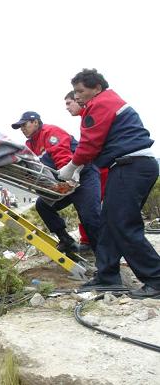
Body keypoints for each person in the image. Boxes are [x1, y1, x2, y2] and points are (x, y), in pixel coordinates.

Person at [62, 69, 160, 297]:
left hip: (132, 165)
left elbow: (89, 144)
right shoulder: (105, 102)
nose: (77, 97)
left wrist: (72, 166)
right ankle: (107, 277)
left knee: (122, 223)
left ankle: (156, 278)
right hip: (130, 165)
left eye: (80, 91)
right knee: (108, 222)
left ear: (96, 88)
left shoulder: (100, 104)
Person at [11, 111, 101, 253]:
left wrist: (67, 182)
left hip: (82, 176)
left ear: (35, 122)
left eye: (24, 125)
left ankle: (104, 258)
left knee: (89, 216)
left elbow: (63, 157)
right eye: (20, 127)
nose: (22, 129)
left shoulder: (50, 132)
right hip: (63, 181)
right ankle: (66, 240)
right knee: (43, 204)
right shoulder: (29, 144)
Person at [64, 90, 109, 251]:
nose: (67, 107)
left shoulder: (92, 113)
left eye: (70, 102)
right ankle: (88, 240)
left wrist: (72, 168)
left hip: (103, 167)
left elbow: (89, 144)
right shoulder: (85, 117)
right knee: (86, 207)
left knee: (90, 207)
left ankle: (101, 247)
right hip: (99, 165)